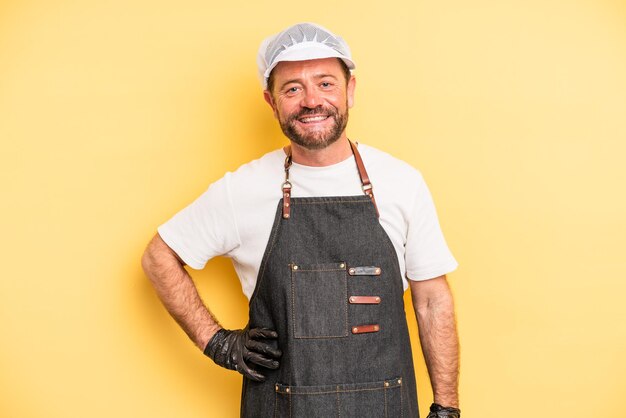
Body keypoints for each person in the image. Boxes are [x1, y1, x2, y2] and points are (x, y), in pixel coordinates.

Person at [142, 22, 460, 418]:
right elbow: (159, 257)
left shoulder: (402, 182)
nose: (312, 100)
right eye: (293, 88)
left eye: (326, 83)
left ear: (351, 90)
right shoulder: (243, 189)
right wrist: (217, 342)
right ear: (271, 102)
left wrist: (446, 408)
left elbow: (431, 301)